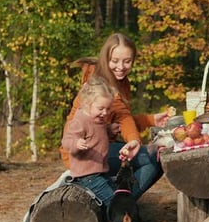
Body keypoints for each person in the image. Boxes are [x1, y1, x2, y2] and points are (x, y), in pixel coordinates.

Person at [60, 32, 170, 201]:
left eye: (127, 61)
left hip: (100, 145)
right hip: (85, 154)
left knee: (155, 156)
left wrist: (150, 120)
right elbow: (123, 119)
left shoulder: (121, 81)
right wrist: (133, 140)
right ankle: (120, 205)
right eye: (115, 61)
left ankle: (119, 202)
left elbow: (122, 117)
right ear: (106, 59)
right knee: (154, 157)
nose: (121, 66)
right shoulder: (101, 84)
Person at [61, 76, 120, 207]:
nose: (105, 113)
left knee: (119, 194)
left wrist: (109, 130)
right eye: (101, 108)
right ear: (88, 104)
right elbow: (66, 141)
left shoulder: (98, 119)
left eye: (108, 108)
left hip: (100, 171)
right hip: (86, 176)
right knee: (113, 201)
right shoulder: (81, 120)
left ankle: (120, 220)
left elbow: (97, 134)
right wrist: (76, 143)